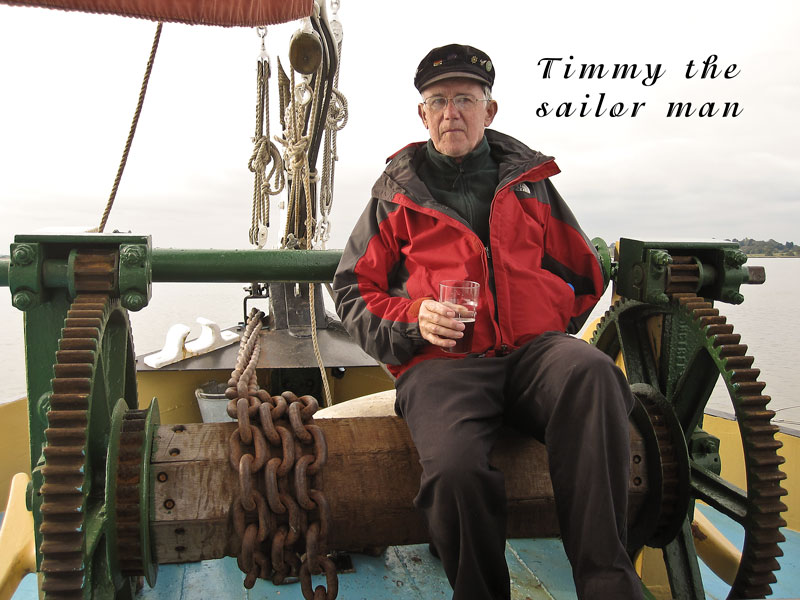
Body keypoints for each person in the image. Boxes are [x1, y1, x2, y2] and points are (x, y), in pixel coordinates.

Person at [332, 43, 643, 600]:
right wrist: (414, 319)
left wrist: (544, 328)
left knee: (592, 371)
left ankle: (608, 588)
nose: (451, 112)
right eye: (438, 101)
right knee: (454, 470)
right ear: (422, 114)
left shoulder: (531, 183)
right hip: (442, 365)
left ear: (489, 110)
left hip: (532, 356)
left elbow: (583, 272)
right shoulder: (395, 196)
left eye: (465, 99)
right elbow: (354, 290)